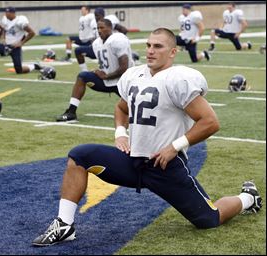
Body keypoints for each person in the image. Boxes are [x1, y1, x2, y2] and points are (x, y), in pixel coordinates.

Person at [32, 28, 262, 246]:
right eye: (149, 45)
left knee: (209, 219)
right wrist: (120, 133)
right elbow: (121, 109)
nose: (150, 50)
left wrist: (174, 147)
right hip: (133, 161)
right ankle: (64, 224)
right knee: (80, 156)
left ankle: (248, 198)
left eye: (158, 46)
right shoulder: (135, 75)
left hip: (165, 166)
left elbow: (211, 122)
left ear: (173, 52)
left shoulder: (178, 79)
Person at [56, 18, 134, 122]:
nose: (99, 30)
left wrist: (106, 76)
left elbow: (124, 68)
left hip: (123, 82)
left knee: (136, 110)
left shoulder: (118, 40)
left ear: (110, 28)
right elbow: (99, 55)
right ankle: (71, 112)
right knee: (82, 77)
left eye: (102, 27)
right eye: (98, 28)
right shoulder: (97, 43)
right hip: (107, 81)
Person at [0, 7, 40, 76]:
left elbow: (32, 33)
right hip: (6, 46)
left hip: (15, 48)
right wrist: (3, 38)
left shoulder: (20, 21)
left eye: (8, 13)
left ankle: (34, 66)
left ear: (13, 13)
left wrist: (21, 43)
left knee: (19, 71)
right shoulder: (5, 20)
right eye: (6, 12)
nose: (7, 14)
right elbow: (4, 29)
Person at [74, 7, 129, 72]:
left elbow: (124, 30)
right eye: (95, 15)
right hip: (98, 48)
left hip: (110, 48)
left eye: (98, 15)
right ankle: (84, 70)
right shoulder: (93, 23)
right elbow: (93, 38)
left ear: (102, 15)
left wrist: (119, 41)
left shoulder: (109, 21)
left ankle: (129, 54)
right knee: (78, 50)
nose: (96, 17)